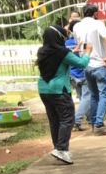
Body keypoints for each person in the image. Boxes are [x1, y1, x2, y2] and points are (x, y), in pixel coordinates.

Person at [35, 25, 90, 164]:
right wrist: (88, 52)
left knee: (54, 120)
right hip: (59, 90)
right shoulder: (63, 53)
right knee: (67, 119)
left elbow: (59, 57)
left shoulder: (42, 51)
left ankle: (58, 148)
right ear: (59, 38)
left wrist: (72, 51)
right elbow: (81, 63)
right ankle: (61, 149)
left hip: (44, 89)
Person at [73, 4, 106, 135]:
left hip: (86, 64)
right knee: (104, 94)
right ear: (95, 14)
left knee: (93, 95)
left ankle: (93, 123)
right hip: (99, 64)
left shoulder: (77, 26)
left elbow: (81, 44)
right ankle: (99, 124)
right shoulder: (98, 24)